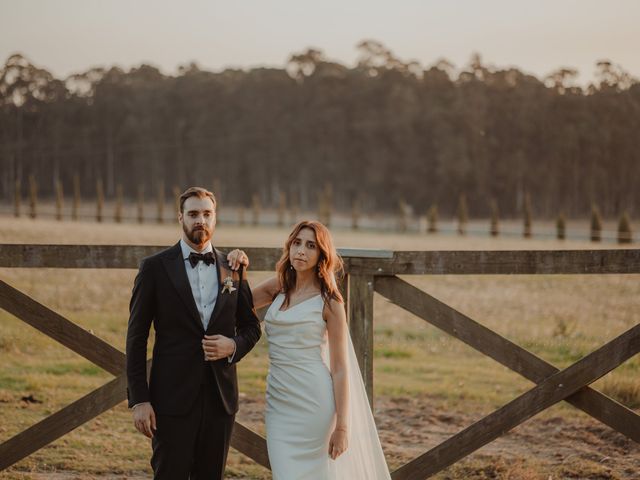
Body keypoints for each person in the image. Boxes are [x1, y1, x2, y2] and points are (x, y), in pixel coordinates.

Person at [238, 220, 391, 479]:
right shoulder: (278, 287)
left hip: (314, 403)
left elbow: (340, 368)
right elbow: (237, 305)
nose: (301, 251)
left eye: (310, 246)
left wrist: (342, 426)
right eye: (297, 243)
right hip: (278, 403)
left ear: (322, 254)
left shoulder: (329, 303)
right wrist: (237, 265)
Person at [126, 186, 261, 480]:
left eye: (207, 214)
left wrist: (233, 346)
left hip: (220, 400)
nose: (201, 220)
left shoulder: (232, 267)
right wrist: (139, 400)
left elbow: (251, 328)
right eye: (193, 214)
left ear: (215, 218)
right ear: (180, 217)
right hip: (170, 400)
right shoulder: (154, 268)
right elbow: (136, 339)